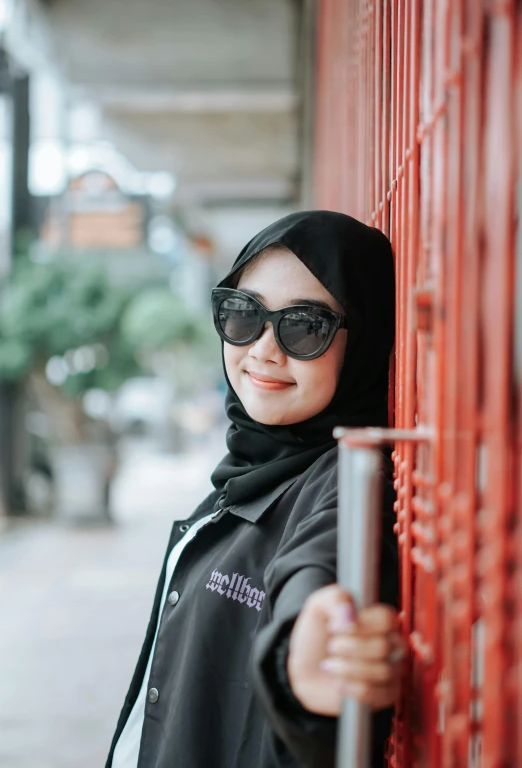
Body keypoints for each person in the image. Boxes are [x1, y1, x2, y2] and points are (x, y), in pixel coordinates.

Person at [107, 211, 403, 768]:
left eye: (305, 326)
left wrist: (309, 662)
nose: (265, 349)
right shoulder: (253, 467)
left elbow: (321, 569)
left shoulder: (348, 477)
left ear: (363, 341)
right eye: (245, 316)